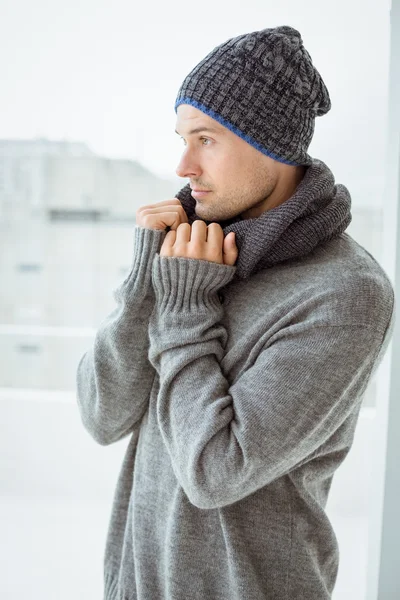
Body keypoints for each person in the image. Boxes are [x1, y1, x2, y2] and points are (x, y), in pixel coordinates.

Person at [76, 25, 396, 600]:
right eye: (181, 137)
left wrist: (184, 305)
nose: (183, 165)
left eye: (207, 139)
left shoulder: (345, 292)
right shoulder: (193, 252)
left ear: (272, 145)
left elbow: (214, 472)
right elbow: (102, 414)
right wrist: (145, 282)